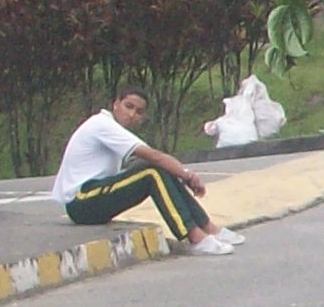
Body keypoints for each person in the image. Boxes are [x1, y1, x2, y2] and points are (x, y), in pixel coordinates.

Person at [53, 89, 238, 256]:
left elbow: (157, 159)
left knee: (159, 169)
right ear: (116, 104)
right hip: (80, 201)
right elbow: (154, 156)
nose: (132, 114)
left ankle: (209, 228)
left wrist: (182, 173)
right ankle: (196, 238)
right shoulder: (102, 124)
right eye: (128, 106)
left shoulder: (113, 128)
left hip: (92, 198)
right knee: (152, 172)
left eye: (139, 112)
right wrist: (187, 175)